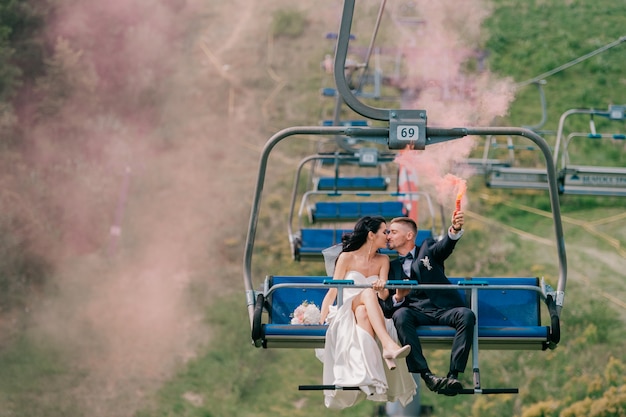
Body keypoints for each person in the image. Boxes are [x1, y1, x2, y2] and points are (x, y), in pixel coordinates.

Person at [316, 215, 416, 409]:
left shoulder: (383, 260)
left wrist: (381, 288)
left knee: (364, 311)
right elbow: (333, 290)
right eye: (384, 232)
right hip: (347, 306)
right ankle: (388, 344)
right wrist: (323, 317)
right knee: (366, 296)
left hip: (368, 311)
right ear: (371, 235)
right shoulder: (347, 257)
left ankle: (370, 376)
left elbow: (385, 295)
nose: (387, 236)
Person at [381, 211, 475, 395]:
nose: (388, 236)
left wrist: (455, 229)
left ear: (409, 235)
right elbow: (387, 308)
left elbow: (445, 246)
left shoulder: (428, 248)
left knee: (466, 315)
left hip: (443, 309)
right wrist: (399, 297)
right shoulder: (390, 267)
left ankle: (453, 375)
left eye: (392, 232)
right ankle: (427, 376)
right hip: (414, 312)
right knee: (400, 315)